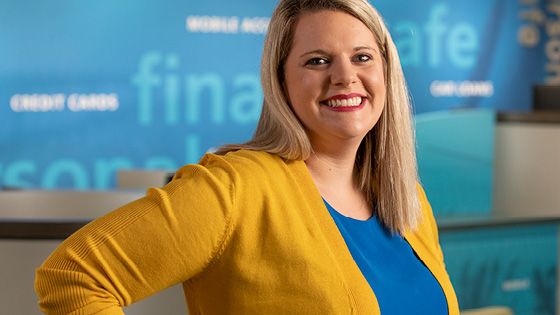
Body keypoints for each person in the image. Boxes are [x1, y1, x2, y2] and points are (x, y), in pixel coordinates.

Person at [35, 0, 459, 314]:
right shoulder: (235, 190)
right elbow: (74, 277)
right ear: (281, 82)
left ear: (386, 70)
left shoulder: (407, 198)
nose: (345, 76)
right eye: (317, 61)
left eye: (362, 57)